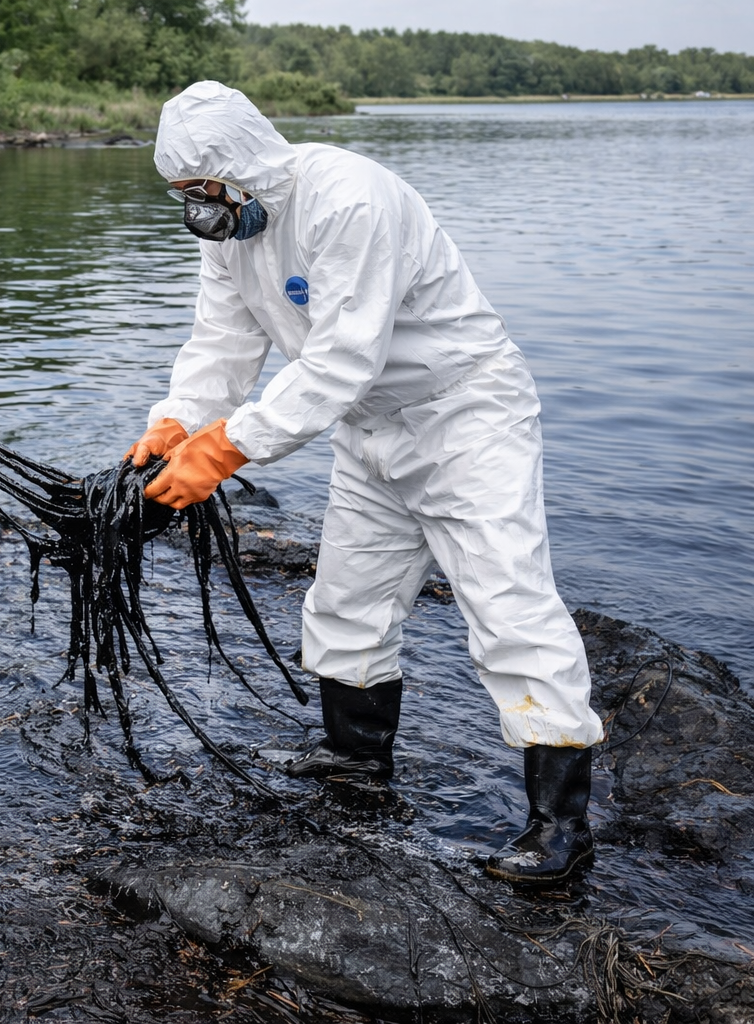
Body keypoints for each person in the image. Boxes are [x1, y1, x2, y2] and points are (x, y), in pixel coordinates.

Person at [125, 82, 603, 886]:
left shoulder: (349, 199)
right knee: (348, 599)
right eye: (184, 195)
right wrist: (177, 422)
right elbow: (221, 343)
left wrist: (228, 450)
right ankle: (356, 768)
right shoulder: (233, 231)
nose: (199, 209)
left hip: (463, 414)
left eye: (205, 191)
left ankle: (561, 826)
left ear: (246, 167)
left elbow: (343, 356)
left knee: (508, 604)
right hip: (369, 425)